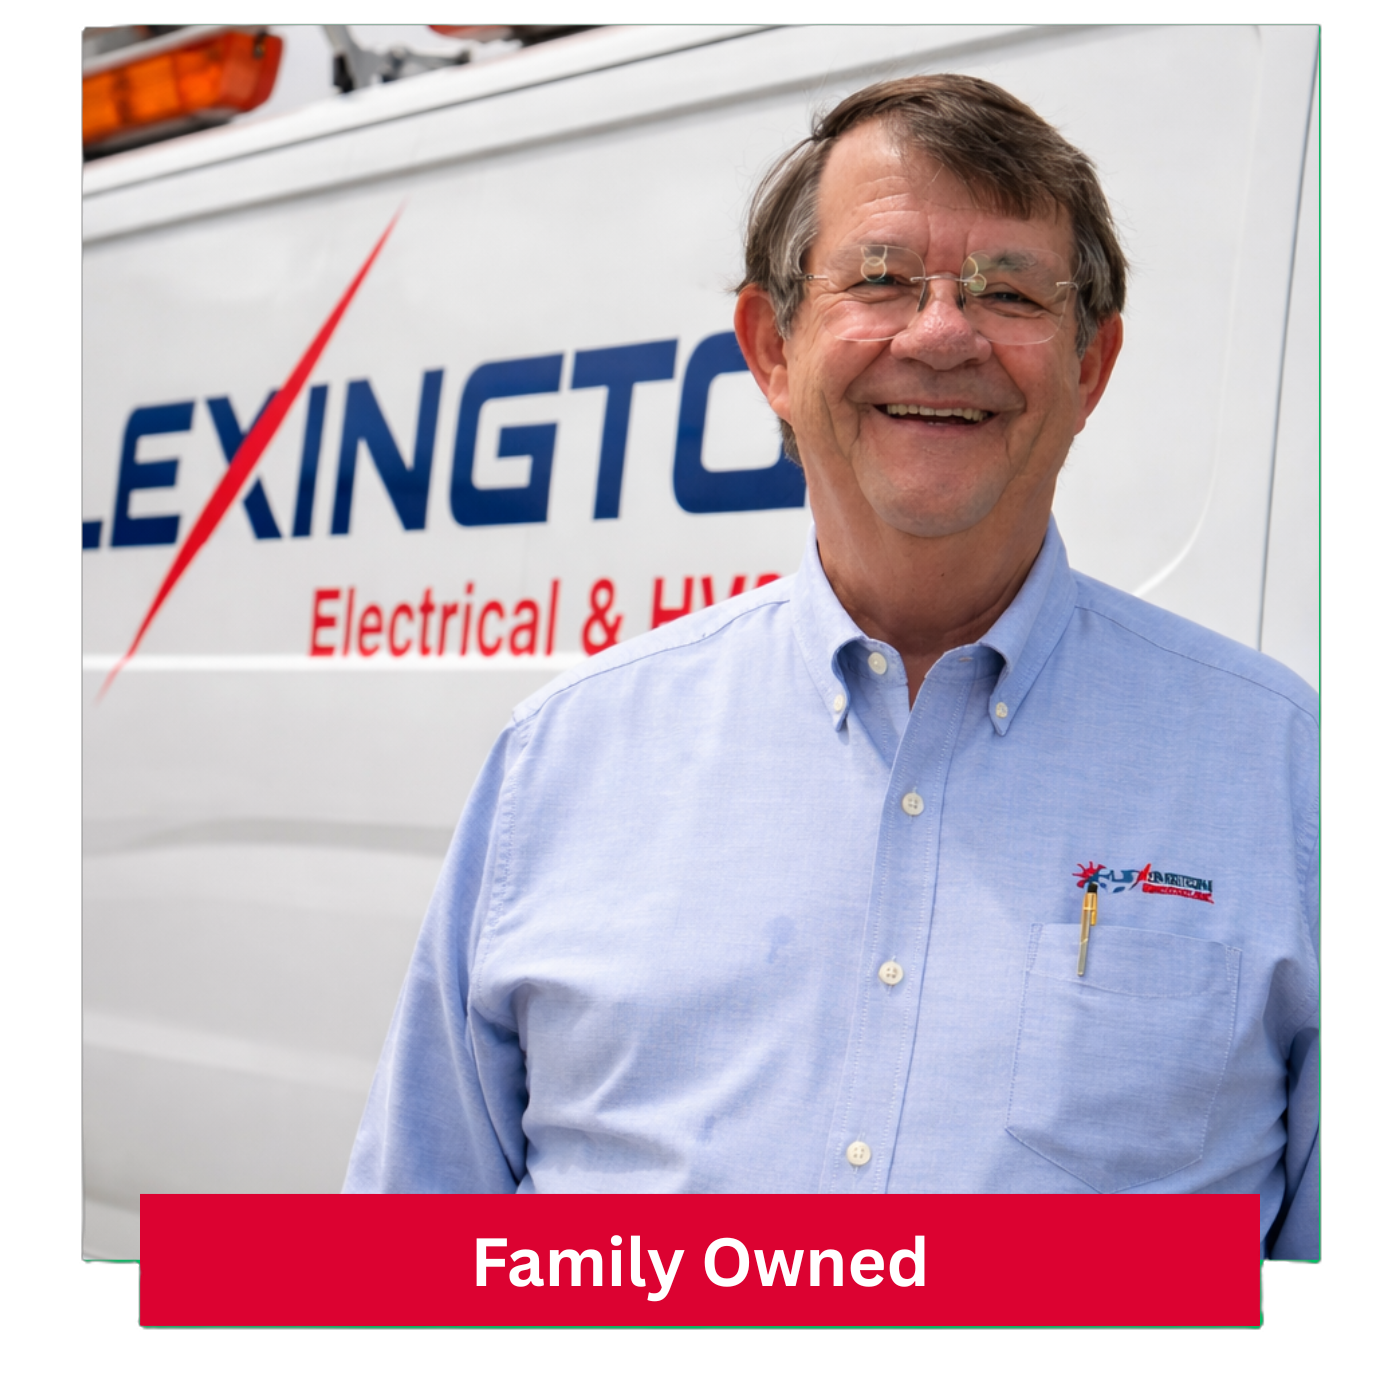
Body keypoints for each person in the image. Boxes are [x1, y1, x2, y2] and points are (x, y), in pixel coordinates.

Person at [345, 75, 1318, 1260]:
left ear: (1089, 368)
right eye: (879, 279)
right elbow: (400, 1250)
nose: (942, 332)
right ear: (770, 347)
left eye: (1008, 291)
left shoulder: (1278, 768)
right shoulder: (565, 753)